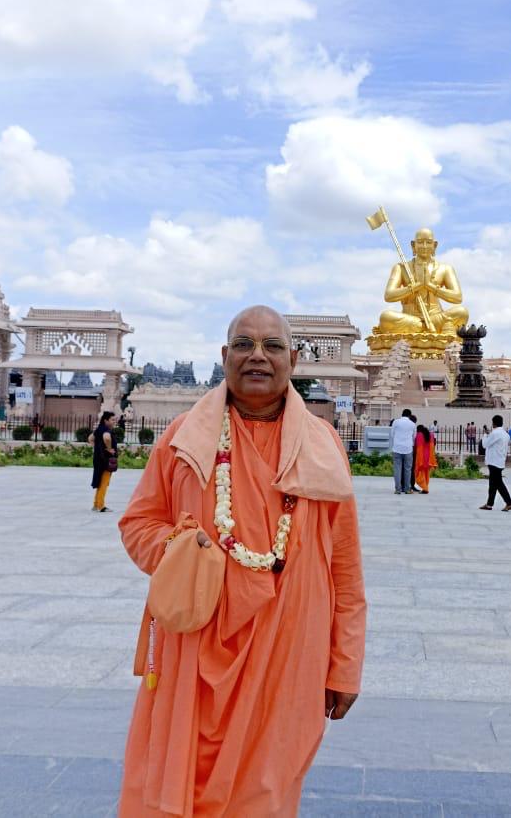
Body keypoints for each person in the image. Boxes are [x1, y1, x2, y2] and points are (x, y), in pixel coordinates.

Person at [117, 305, 366, 817]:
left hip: (288, 650)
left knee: (267, 788)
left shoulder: (322, 447)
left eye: (272, 346)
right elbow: (138, 524)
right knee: (184, 777)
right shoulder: (184, 438)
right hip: (195, 642)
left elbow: (345, 566)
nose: (258, 356)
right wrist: (180, 550)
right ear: (224, 356)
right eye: (244, 344)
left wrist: (345, 666)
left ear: (293, 360)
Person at [479, 415, 511, 511]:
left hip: (493, 461)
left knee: (498, 483)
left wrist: (486, 435)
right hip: (500, 461)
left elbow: (485, 444)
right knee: (493, 484)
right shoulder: (505, 434)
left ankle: (509, 502)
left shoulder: (495, 433)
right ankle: (489, 504)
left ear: (493, 423)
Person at [91, 410, 118, 512]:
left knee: (99, 481)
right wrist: (110, 449)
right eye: (112, 420)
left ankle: (96, 504)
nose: (114, 421)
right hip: (106, 460)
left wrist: (98, 448)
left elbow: (90, 438)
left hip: (98, 458)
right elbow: (106, 438)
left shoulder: (98, 429)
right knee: (104, 483)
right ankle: (101, 506)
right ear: (106, 420)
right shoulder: (106, 430)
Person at [390, 409, 416, 495]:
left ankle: (398, 489)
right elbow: (414, 437)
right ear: (409, 415)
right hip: (408, 448)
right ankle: (407, 489)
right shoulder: (412, 424)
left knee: (397, 469)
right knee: (408, 469)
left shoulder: (396, 422)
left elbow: (392, 434)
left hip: (397, 448)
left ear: (402, 414)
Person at [413, 424, 437, 494]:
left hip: (422, 457)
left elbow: (417, 447)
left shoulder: (419, 435)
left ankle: (425, 488)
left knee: (420, 473)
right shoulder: (430, 435)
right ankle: (425, 487)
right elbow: (433, 445)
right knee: (426, 474)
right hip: (429, 457)